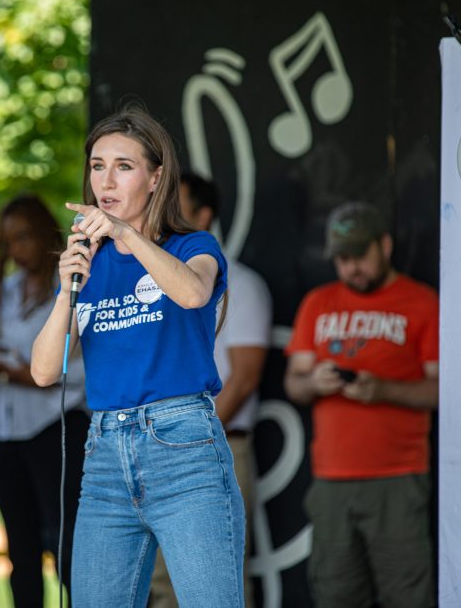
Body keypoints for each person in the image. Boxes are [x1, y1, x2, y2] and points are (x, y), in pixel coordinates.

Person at [31, 105, 245, 607]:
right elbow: (44, 371)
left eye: (124, 166)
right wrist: (66, 292)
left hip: (183, 445)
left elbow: (192, 293)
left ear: (156, 177)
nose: (106, 179)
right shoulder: (88, 263)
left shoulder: (194, 245)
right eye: (97, 165)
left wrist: (126, 233)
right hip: (104, 451)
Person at [284, 201, 438, 608]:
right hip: (331, 478)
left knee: (407, 594)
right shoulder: (317, 303)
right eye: (342, 258)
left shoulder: (422, 302)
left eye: (359, 256)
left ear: (384, 246)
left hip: (399, 476)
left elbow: (442, 392)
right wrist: (315, 381)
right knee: (335, 594)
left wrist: (382, 390)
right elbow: (294, 384)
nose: (351, 268)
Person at [150, 172, 272, 608]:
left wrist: (183, 437)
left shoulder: (243, 283)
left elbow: (244, 377)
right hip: (157, 450)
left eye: (174, 204)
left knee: (221, 584)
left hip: (217, 446)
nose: (160, 213)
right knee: (162, 583)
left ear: (203, 215)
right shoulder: (150, 284)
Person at [0, 194, 89, 607]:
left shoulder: (69, 287)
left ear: (43, 234)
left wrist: (22, 373)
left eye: (22, 238)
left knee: (65, 544)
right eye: (7, 242)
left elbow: (75, 369)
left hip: (55, 428)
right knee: (19, 552)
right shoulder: (3, 292)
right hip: (5, 432)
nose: (16, 250)